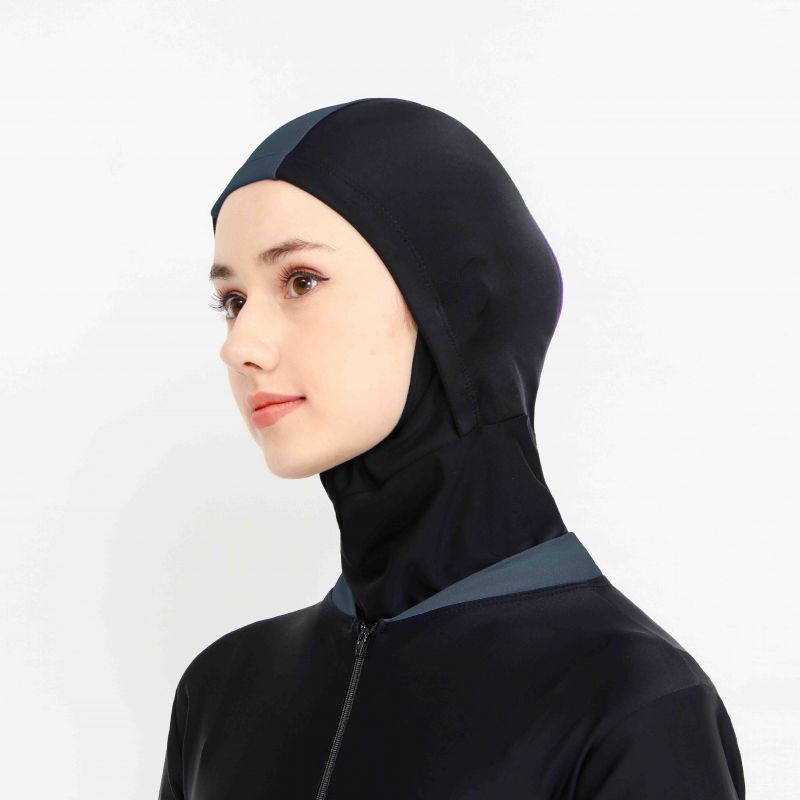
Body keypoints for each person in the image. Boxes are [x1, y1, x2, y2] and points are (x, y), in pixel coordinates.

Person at [158, 97, 745, 799]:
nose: (240, 346)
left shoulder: (631, 704)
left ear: (450, 301)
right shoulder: (222, 692)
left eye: (300, 281)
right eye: (233, 301)